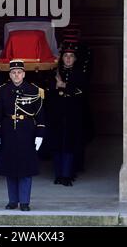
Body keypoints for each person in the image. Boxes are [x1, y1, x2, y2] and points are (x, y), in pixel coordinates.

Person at [0, 60, 45, 211]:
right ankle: (13, 201)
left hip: (27, 132)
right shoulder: (3, 90)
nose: (16, 75)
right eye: (13, 73)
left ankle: (25, 202)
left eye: (19, 72)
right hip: (8, 132)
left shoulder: (33, 90)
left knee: (26, 169)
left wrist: (40, 135)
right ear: (10, 74)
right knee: (10, 168)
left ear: (24, 74)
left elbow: (40, 117)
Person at [48, 41, 86, 186]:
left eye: (71, 56)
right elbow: (48, 92)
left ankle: (67, 174)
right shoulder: (54, 73)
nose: (68, 59)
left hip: (72, 114)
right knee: (57, 145)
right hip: (57, 115)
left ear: (75, 59)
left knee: (69, 145)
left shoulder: (79, 74)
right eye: (66, 56)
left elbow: (81, 92)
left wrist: (64, 86)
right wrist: (55, 86)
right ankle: (58, 174)